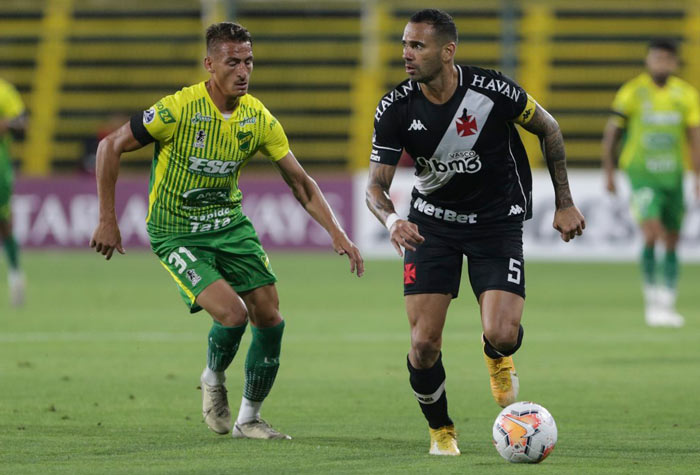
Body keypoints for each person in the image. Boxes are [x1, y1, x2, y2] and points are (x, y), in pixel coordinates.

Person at [90, 22, 364, 440]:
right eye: (232, 62)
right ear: (209, 64)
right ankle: (213, 377)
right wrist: (107, 219)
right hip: (177, 233)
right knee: (233, 315)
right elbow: (110, 146)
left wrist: (338, 233)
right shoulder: (178, 109)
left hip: (230, 227)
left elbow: (301, 182)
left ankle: (249, 419)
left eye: (249, 61)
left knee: (271, 320)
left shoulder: (258, 118)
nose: (243, 71)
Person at [365, 9, 585, 456]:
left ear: (448, 51)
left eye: (417, 46)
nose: (406, 54)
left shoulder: (493, 90)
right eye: (405, 44)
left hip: (495, 224)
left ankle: (496, 354)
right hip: (431, 227)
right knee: (423, 343)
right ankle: (441, 429)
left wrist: (564, 201)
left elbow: (549, 128)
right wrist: (392, 220)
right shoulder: (396, 106)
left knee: (503, 332)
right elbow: (375, 186)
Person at [602, 39, 700, 328]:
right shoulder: (633, 92)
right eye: (656, 58)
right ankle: (652, 301)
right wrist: (609, 172)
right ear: (648, 61)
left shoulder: (686, 94)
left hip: (672, 175)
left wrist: (697, 175)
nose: (661, 64)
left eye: (666, 59)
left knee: (672, 238)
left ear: (674, 63)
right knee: (651, 232)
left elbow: (694, 137)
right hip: (641, 173)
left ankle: (667, 301)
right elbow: (612, 134)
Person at [0, 77, 27, 307]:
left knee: (3, 222)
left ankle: (15, 275)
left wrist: (6, 124)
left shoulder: (4, 91)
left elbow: (22, 123)